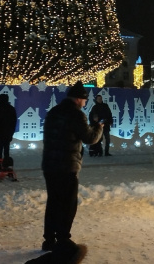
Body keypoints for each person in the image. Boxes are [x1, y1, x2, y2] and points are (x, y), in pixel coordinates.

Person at [39, 81, 102, 261]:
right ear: (78, 99)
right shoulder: (76, 115)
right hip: (67, 166)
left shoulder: (53, 112)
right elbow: (89, 138)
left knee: (53, 202)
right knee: (67, 204)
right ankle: (63, 239)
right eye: (84, 99)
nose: (85, 103)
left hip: (50, 165)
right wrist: (98, 128)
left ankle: (49, 239)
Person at [0, 93, 17, 167]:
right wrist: (11, 132)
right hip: (8, 132)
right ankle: (6, 164)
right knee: (6, 149)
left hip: (0, 132)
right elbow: (14, 122)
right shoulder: (11, 109)